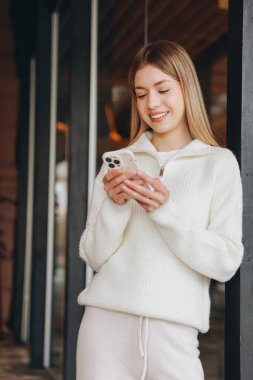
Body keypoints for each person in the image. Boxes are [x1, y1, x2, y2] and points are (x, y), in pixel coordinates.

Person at [76, 40, 244, 380]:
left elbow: (225, 262)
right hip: (104, 328)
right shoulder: (120, 164)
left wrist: (165, 212)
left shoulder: (218, 163)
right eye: (140, 94)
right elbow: (93, 255)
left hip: (175, 333)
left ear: (187, 88)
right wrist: (117, 206)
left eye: (162, 89)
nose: (151, 103)